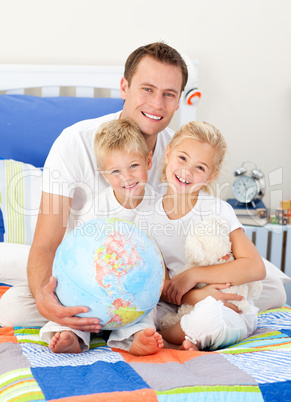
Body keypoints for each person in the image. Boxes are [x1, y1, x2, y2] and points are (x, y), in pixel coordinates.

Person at [0, 42, 287, 332]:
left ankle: (159, 313)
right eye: (147, 89)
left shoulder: (179, 152)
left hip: (157, 277)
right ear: (124, 87)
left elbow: (195, 224)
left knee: (274, 286)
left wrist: (192, 282)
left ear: (178, 102)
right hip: (90, 275)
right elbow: (46, 243)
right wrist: (43, 297)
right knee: (13, 308)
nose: (157, 104)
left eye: (169, 94)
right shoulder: (74, 143)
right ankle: (176, 310)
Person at [108, 121, 266, 352]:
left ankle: (170, 337)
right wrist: (193, 296)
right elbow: (156, 280)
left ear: (210, 176)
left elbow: (255, 267)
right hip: (173, 303)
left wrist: (194, 276)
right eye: (182, 158)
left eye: (200, 168)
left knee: (213, 318)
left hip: (219, 302)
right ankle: (148, 335)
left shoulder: (217, 209)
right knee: (134, 301)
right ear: (169, 153)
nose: (187, 171)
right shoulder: (147, 208)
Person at [39, 118, 164, 354]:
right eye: (115, 171)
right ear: (104, 175)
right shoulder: (96, 209)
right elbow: (81, 251)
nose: (126, 177)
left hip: (134, 286)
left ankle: (134, 337)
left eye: (134, 166)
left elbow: (160, 255)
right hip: (94, 281)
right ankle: (72, 336)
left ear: (148, 161)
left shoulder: (159, 206)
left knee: (149, 307)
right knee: (72, 306)